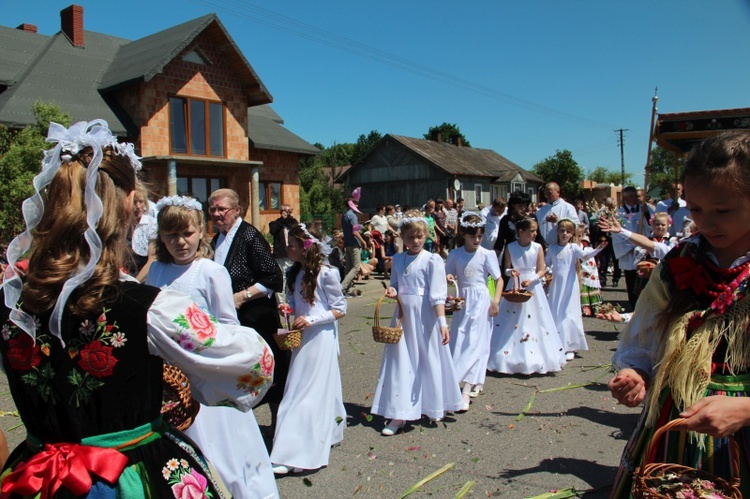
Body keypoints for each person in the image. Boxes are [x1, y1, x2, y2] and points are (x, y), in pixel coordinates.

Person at [0, 120, 273, 497]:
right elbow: (255, 363)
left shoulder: (10, 301)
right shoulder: (147, 307)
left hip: (37, 478)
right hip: (127, 475)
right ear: (128, 203)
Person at [608, 131, 750, 497]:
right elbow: (645, 334)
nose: (706, 223)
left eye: (722, 211)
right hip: (675, 425)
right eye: (696, 209)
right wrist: (636, 372)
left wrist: (746, 409)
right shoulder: (680, 260)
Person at [146, 195, 278, 499]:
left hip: (207, 374)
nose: (180, 242)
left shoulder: (210, 271)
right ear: (161, 237)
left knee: (221, 452)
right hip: (171, 379)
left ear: (200, 232)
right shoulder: (155, 273)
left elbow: (227, 326)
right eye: (171, 235)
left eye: (187, 233)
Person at [371, 211, 463, 436]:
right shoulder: (399, 259)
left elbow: (438, 295)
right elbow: (395, 284)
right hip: (403, 317)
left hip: (425, 319)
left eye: (420, 237)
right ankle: (400, 412)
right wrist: (392, 290)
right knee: (402, 362)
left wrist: (442, 323)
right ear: (402, 237)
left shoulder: (432, 260)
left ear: (426, 236)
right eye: (411, 237)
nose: (416, 241)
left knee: (427, 358)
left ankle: (430, 404)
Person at [270, 224, 346, 474]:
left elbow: (339, 308)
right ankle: (325, 432)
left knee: (304, 393)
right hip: (302, 337)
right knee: (305, 388)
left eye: (291, 245)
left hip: (320, 337)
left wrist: (312, 320)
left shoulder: (326, 274)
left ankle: (300, 452)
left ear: (304, 247)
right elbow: (297, 301)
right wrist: (288, 308)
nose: (287, 249)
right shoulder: (295, 272)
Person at [208, 188, 288, 427]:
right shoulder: (217, 239)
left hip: (258, 317)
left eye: (222, 209)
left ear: (237, 210)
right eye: (212, 209)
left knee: (270, 372)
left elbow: (273, 278)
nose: (216, 214)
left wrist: (242, 296)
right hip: (233, 320)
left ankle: (278, 426)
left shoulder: (249, 235)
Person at [487, 217, 567, 375]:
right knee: (512, 319)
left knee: (536, 320)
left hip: (532, 285)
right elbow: (506, 269)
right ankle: (507, 355)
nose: (535, 233)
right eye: (531, 231)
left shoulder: (537, 247)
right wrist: (512, 272)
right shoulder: (510, 247)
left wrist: (533, 279)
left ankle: (537, 355)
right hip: (516, 284)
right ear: (521, 232)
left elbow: (542, 269)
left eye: (536, 230)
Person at [445, 212, 503, 411]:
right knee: (461, 339)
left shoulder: (487, 254)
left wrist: (496, 300)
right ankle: (457, 381)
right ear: (463, 234)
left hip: (481, 300)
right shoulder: (455, 254)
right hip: (463, 301)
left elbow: (499, 278)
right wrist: (449, 278)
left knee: (476, 343)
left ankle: (466, 390)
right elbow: (448, 276)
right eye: (473, 237)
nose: (477, 240)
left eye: (480, 236)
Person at [544, 219, 607, 360]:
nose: (564, 234)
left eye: (568, 231)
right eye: (562, 231)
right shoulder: (552, 248)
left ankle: (569, 345)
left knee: (568, 313)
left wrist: (598, 249)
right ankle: (556, 342)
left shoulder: (573, 248)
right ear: (557, 232)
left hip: (569, 285)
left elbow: (585, 256)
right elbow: (546, 263)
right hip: (556, 285)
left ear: (572, 234)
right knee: (556, 311)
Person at [611, 186, 654, 309]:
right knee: (631, 280)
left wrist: (646, 214)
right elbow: (617, 234)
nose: (635, 199)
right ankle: (633, 305)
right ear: (625, 198)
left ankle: (646, 305)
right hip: (628, 251)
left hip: (643, 250)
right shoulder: (619, 214)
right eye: (631, 196)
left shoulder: (645, 210)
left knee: (645, 278)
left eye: (636, 196)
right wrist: (629, 247)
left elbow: (652, 227)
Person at [268, 204, 299, 302]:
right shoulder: (275, 223)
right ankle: (281, 301)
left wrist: (287, 219)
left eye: (290, 211)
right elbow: (273, 231)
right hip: (281, 255)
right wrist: (282, 219)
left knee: (292, 277)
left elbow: (295, 228)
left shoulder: (293, 223)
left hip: (292, 255)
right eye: (286, 211)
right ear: (281, 212)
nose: (288, 213)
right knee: (281, 278)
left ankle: (290, 299)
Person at [127, 186, 157, 277]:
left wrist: (136, 281)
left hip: (143, 278)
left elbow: (152, 260)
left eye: (141, 201)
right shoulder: (120, 225)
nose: (138, 206)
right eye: (134, 202)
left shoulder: (152, 225)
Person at [341, 193, 366, 297]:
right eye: (356, 204)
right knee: (356, 267)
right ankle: (342, 287)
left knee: (349, 267)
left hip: (347, 243)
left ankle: (345, 288)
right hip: (354, 243)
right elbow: (354, 231)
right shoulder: (352, 215)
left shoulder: (345, 215)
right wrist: (363, 241)